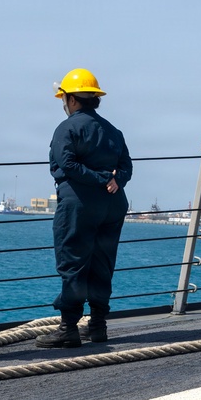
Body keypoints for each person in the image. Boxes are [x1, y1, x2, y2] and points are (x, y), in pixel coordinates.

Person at [36, 68, 133, 348]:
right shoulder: (113, 130)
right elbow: (127, 166)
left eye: (64, 99)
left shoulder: (67, 128)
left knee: (73, 263)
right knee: (103, 263)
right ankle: (98, 325)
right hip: (113, 205)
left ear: (72, 99)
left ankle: (68, 328)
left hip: (79, 204)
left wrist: (99, 179)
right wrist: (115, 179)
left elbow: (66, 164)